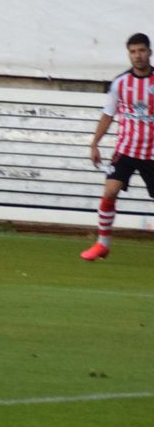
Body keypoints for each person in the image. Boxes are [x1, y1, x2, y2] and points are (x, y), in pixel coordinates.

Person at [80, 33, 153, 261]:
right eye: (133, 52)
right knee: (109, 191)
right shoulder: (120, 83)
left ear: (149, 52)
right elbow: (108, 114)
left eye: (141, 50)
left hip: (152, 153)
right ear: (129, 54)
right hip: (126, 150)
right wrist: (95, 144)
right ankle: (102, 244)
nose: (138, 56)